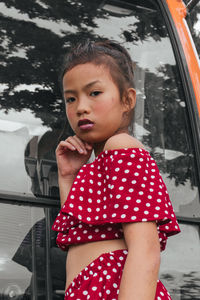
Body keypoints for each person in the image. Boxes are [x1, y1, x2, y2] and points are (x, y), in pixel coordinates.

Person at [52, 39, 180, 300]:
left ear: (127, 100)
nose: (81, 107)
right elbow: (77, 236)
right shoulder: (103, 162)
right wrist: (68, 177)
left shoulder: (120, 146)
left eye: (94, 93)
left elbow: (145, 250)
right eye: (71, 98)